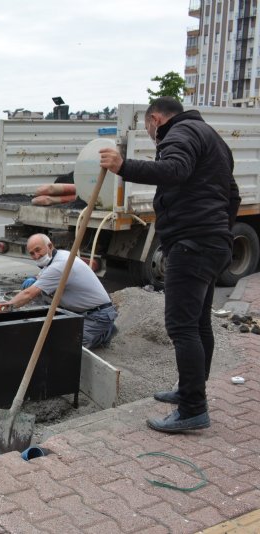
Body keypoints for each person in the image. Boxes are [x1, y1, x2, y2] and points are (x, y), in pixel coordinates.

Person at [99, 96, 241, 434]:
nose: (152, 136)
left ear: (156, 119)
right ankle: (192, 390)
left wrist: (124, 166)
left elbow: (175, 171)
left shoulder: (178, 133)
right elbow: (232, 195)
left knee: (182, 327)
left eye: (149, 128)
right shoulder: (212, 138)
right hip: (213, 241)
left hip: (193, 244)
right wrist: (219, 228)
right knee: (198, 323)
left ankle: (193, 407)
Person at [4, 233, 117, 350]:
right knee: (42, 293)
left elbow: (28, 294)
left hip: (97, 315)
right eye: (32, 253)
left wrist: (4, 308)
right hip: (84, 311)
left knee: (68, 347)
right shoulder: (60, 255)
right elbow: (46, 274)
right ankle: (100, 332)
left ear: (49, 246)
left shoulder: (60, 265)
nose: (36, 256)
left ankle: (104, 333)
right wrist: (35, 278)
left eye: (38, 250)